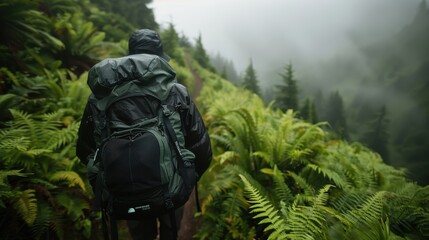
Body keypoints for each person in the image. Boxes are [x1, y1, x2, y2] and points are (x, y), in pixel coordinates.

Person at [76, 29, 212, 240]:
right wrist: (187, 177)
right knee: (170, 230)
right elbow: (200, 146)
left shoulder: (99, 98)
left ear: (131, 54)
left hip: (125, 193)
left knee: (141, 233)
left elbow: (84, 149)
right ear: (158, 56)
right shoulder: (176, 92)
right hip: (171, 187)